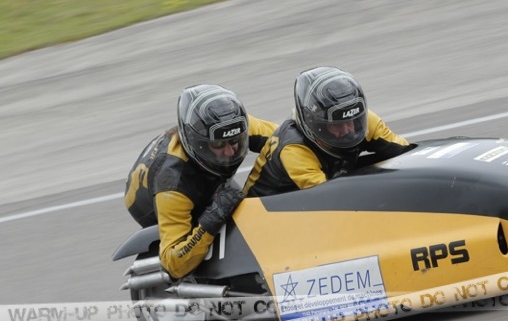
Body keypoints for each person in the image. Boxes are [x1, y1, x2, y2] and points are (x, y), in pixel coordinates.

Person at [124, 84, 277, 279]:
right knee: (218, 223)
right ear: (198, 143)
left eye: (235, 141)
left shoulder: (231, 128)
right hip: (150, 203)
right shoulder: (172, 185)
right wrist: (210, 220)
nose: (230, 151)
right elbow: (174, 264)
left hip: (198, 174)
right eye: (219, 144)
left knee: (242, 207)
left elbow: (285, 138)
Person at [244, 66, 411, 197]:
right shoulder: (295, 150)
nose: (347, 131)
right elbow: (330, 199)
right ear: (313, 123)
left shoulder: (367, 123)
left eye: (351, 121)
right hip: (262, 212)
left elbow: (408, 154)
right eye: (335, 125)